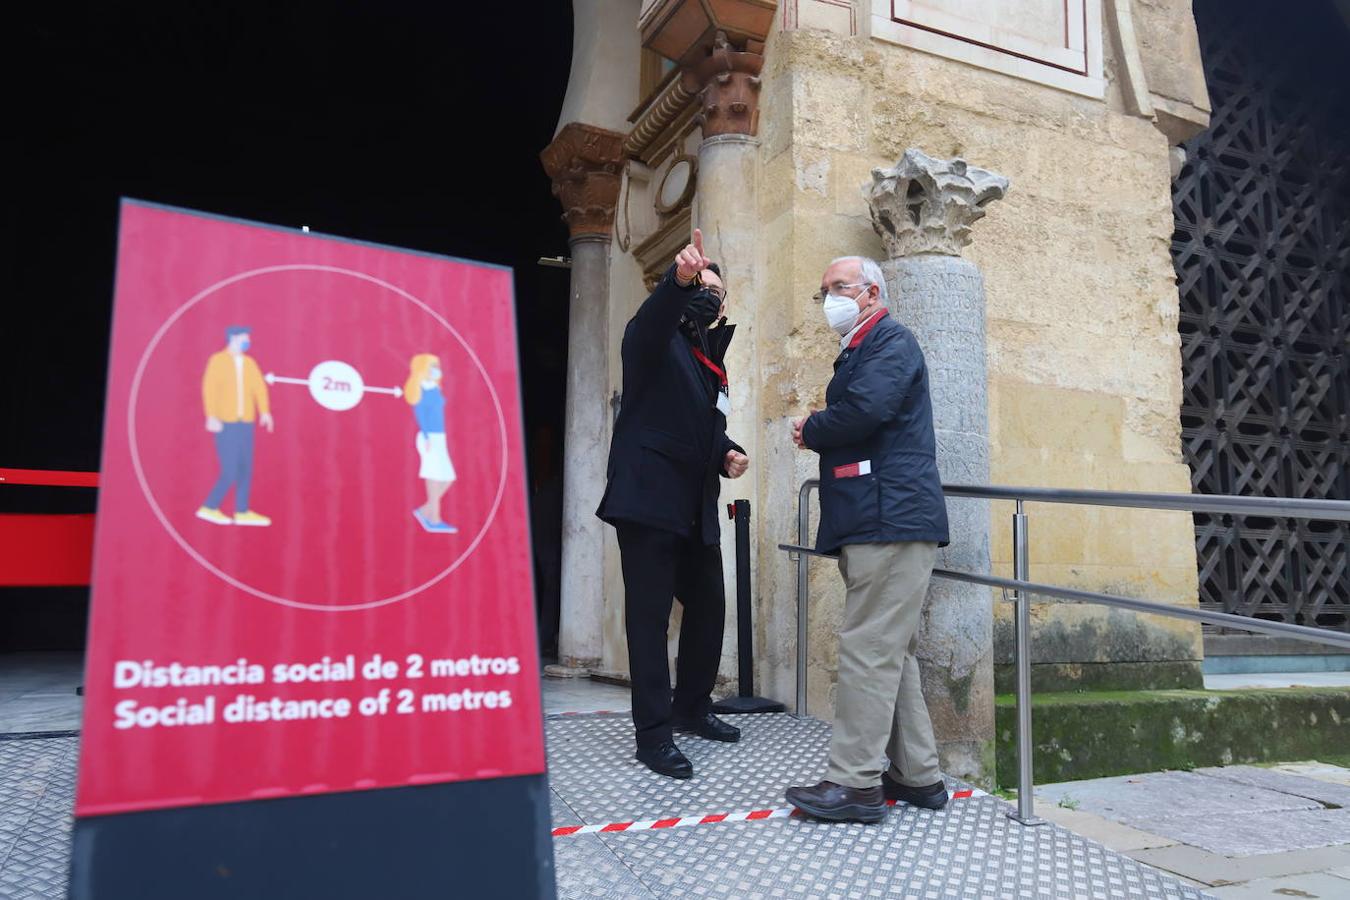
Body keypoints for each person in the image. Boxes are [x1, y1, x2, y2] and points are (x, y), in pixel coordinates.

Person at [785, 256, 951, 823]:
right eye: (824, 288)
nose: (829, 297)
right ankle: (919, 776)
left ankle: (855, 785)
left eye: (839, 287)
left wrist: (812, 427)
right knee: (889, 650)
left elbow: (865, 411)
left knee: (867, 649)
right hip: (877, 517)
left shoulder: (891, 341)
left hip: (890, 518)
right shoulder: (862, 346)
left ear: (872, 291)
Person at [596, 228, 750, 779]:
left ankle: (691, 707)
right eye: (701, 289)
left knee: (709, 606)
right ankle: (653, 735)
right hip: (649, 501)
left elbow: (703, 427)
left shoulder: (710, 358)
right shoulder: (654, 338)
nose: (711, 299)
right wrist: (678, 280)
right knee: (649, 619)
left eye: (717, 293)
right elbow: (654, 318)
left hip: (694, 504)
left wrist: (728, 452)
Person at [197, 325, 274, 526]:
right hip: (225, 422)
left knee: (245, 469)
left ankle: (242, 511)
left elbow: (259, 388)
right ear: (233, 338)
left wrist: (264, 412)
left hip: (245, 422)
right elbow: (209, 388)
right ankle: (209, 507)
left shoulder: (249, 363)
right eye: (244, 338)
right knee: (230, 469)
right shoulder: (217, 361)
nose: (247, 341)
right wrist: (211, 415)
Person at [404, 353, 458, 534]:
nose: (437, 370)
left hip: (439, 437)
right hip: (429, 438)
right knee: (434, 474)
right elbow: (421, 416)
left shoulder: (434, 387)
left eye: (437, 366)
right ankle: (434, 518)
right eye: (433, 366)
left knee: (447, 476)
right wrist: (426, 437)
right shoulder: (420, 389)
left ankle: (425, 510)